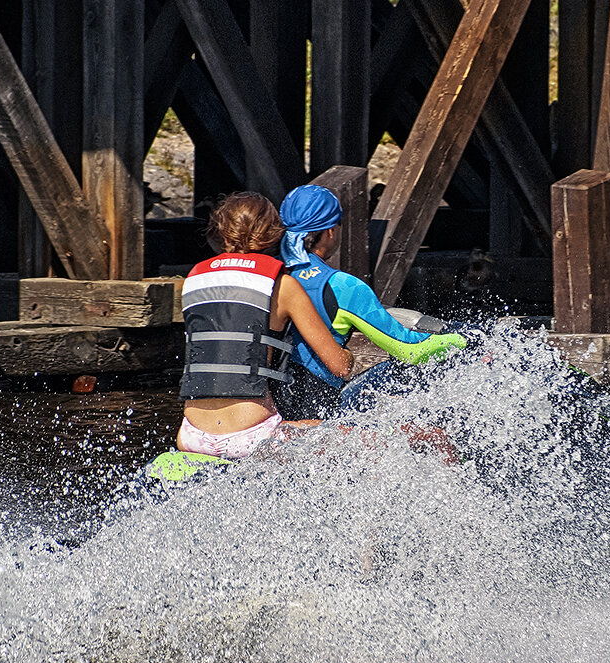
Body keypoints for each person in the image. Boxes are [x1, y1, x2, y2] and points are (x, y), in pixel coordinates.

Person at [176, 191, 354, 459]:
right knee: (360, 436)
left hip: (190, 433)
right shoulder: (282, 285)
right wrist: (349, 353)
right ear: (273, 234)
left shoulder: (193, 280)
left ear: (223, 236)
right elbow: (339, 367)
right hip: (253, 434)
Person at [274, 184, 466, 417]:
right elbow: (410, 350)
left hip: (267, 408)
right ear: (331, 231)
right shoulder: (342, 286)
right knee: (402, 368)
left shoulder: (266, 274)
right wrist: (463, 339)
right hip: (316, 413)